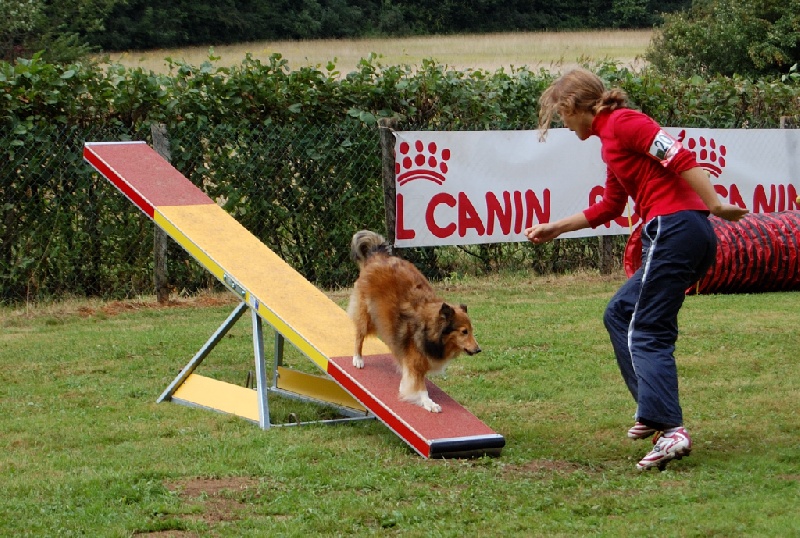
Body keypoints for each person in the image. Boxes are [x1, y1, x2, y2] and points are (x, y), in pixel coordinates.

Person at [526, 68, 748, 471]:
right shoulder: (609, 142)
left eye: (561, 115)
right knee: (620, 314)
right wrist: (556, 227)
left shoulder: (624, 122)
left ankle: (670, 427)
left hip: (675, 228)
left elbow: (678, 155)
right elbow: (610, 206)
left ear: (573, 106)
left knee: (645, 329)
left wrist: (716, 204)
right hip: (681, 233)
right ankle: (654, 412)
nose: (563, 123)